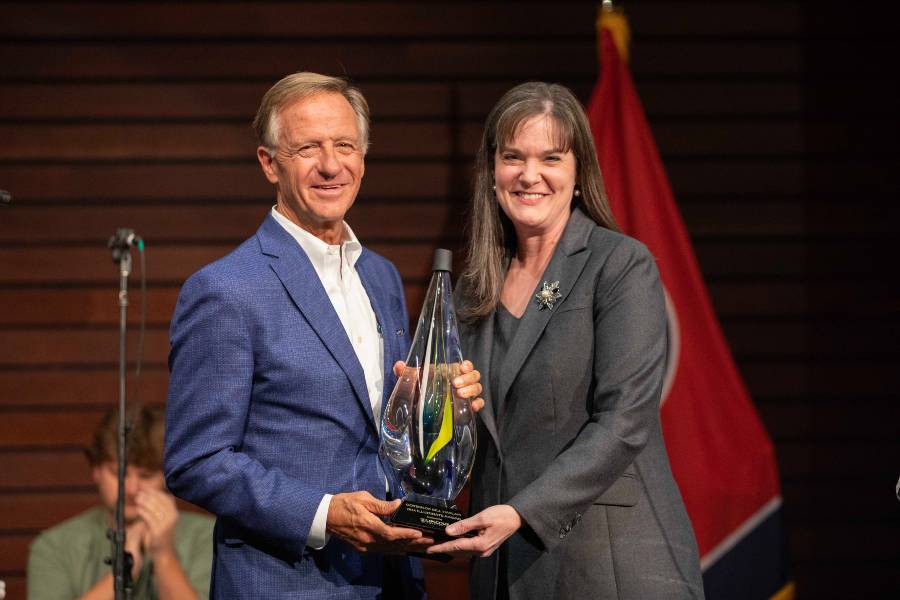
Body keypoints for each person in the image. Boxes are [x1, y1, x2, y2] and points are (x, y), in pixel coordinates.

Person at [163, 72, 483, 599]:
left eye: (345, 146)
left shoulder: (379, 275)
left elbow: (386, 425)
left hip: (392, 580)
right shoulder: (225, 290)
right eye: (308, 148)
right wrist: (324, 514)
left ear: (363, 157)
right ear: (270, 163)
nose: (331, 165)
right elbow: (196, 460)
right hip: (284, 583)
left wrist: (438, 399)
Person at [427, 82, 705, 599]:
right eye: (513, 157)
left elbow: (625, 421)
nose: (529, 175)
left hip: (607, 564)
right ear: (492, 172)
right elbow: (479, 433)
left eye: (550, 157)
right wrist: (434, 404)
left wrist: (521, 513)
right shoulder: (472, 288)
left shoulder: (619, 265)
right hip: (501, 567)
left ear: (579, 174)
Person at [27, 406, 214, 600]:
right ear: (96, 470)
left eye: (146, 475)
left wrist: (163, 554)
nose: (132, 489)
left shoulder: (206, 536)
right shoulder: (54, 545)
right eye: (119, 474)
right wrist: (125, 568)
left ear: (165, 476)